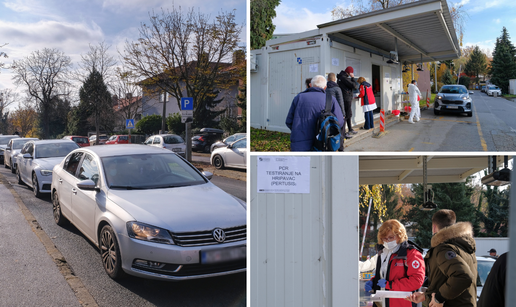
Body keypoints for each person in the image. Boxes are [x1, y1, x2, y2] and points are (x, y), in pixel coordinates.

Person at [405, 209, 477, 307]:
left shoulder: (443, 249)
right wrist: (426, 295)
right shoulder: (463, 247)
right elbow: (443, 281)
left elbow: (463, 276)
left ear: (434, 227)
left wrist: (439, 298)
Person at [364, 219, 425, 307]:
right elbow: (385, 275)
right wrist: (374, 281)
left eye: (391, 237)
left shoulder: (411, 254)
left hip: (403, 303)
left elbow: (416, 280)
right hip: (382, 303)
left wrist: (390, 284)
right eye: (384, 238)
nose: (387, 241)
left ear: (400, 235)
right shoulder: (383, 253)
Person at [285, 75, 344, 151]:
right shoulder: (330, 99)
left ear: (310, 85)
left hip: (299, 144)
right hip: (322, 144)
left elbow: (289, 121)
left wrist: (299, 130)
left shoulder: (299, 98)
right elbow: (340, 122)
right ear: (325, 87)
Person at [337, 66, 359, 138]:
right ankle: (344, 132)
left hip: (345, 98)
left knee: (348, 114)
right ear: (349, 72)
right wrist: (352, 78)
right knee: (346, 115)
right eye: (351, 72)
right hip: (346, 98)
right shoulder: (344, 78)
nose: (351, 74)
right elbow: (354, 86)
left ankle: (350, 129)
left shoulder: (341, 77)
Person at [326, 72, 345, 151]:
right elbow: (341, 102)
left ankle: (331, 146)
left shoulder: (325, 88)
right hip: (337, 112)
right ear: (335, 79)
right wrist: (343, 114)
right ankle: (340, 147)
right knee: (340, 130)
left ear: (328, 79)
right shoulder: (337, 88)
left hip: (328, 112)